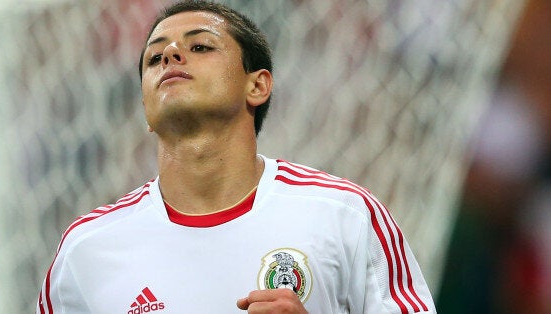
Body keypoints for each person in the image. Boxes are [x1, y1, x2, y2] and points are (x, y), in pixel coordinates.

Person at [36, 1, 436, 313]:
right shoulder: (86, 249)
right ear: (145, 106)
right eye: (155, 58)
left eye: (200, 46)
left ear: (257, 85)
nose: (171, 56)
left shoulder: (344, 215)